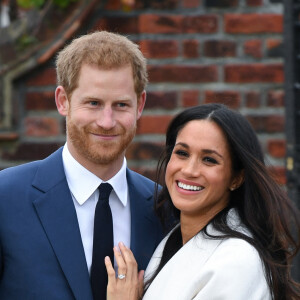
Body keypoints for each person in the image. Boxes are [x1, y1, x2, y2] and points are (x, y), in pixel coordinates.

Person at [0, 31, 164, 300]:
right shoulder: (5, 198)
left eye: (121, 105)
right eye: (94, 103)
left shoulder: (165, 209)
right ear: (63, 101)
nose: (107, 121)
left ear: (140, 105)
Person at [105, 103, 300, 300]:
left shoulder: (236, 261)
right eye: (182, 153)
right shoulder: (173, 239)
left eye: (209, 160)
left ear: (236, 178)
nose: (189, 170)